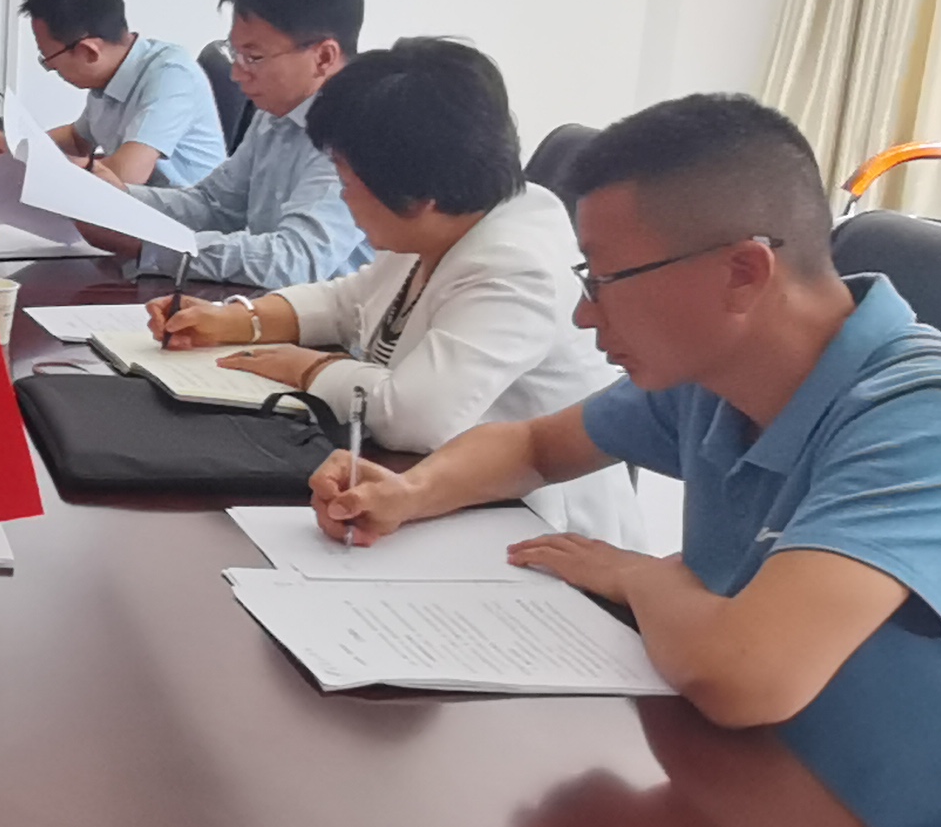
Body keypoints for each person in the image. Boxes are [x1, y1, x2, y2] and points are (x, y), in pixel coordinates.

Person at [311, 92, 941, 827]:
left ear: (743, 273)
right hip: (756, 797)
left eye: (604, 280)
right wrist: (409, 492)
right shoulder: (719, 378)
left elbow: (744, 676)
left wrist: (639, 575)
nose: (585, 314)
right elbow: (535, 446)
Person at [149, 38, 633, 540]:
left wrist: (305, 367)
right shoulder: (447, 215)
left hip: (534, 525)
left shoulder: (517, 265)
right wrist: (239, 320)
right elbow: (350, 300)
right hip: (438, 488)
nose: (343, 196)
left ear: (418, 195)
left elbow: (414, 417)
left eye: (347, 181)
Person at [93, 0, 367, 287]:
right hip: (267, 305)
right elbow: (214, 205)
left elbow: (294, 261)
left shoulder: (357, 132)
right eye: (234, 53)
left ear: (324, 56)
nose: (237, 74)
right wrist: (117, 198)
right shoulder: (274, 114)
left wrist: (148, 246)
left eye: (253, 57)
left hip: (340, 320)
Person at [0, 0, 224, 188]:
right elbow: (77, 139)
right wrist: (16, 146)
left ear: (89, 52)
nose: (52, 69)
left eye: (49, 60)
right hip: (141, 209)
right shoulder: (109, 76)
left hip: (187, 220)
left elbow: (124, 176)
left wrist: (33, 165)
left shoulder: (171, 76)